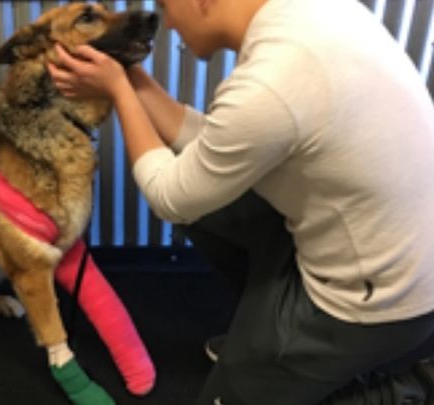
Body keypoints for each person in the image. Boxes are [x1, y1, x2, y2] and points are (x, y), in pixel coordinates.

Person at [47, 0, 434, 404]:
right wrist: (126, 75)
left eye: (165, 6)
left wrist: (119, 92)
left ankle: (413, 386)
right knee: (204, 201)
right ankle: (259, 341)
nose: (168, 22)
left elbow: (168, 196)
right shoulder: (308, 17)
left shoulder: (273, 79)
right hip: (377, 244)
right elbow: (222, 147)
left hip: (377, 300)